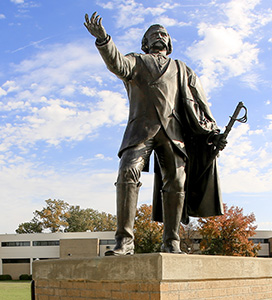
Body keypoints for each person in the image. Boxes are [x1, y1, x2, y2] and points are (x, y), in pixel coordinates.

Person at [84, 12, 227, 255]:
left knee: (177, 181)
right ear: (146, 43)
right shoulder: (136, 61)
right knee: (127, 172)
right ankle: (125, 241)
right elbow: (116, 63)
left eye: (163, 35)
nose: (159, 38)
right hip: (141, 130)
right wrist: (104, 40)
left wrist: (212, 132)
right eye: (154, 35)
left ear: (169, 42)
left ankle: (172, 242)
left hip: (174, 134)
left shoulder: (182, 69)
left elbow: (199, 105)